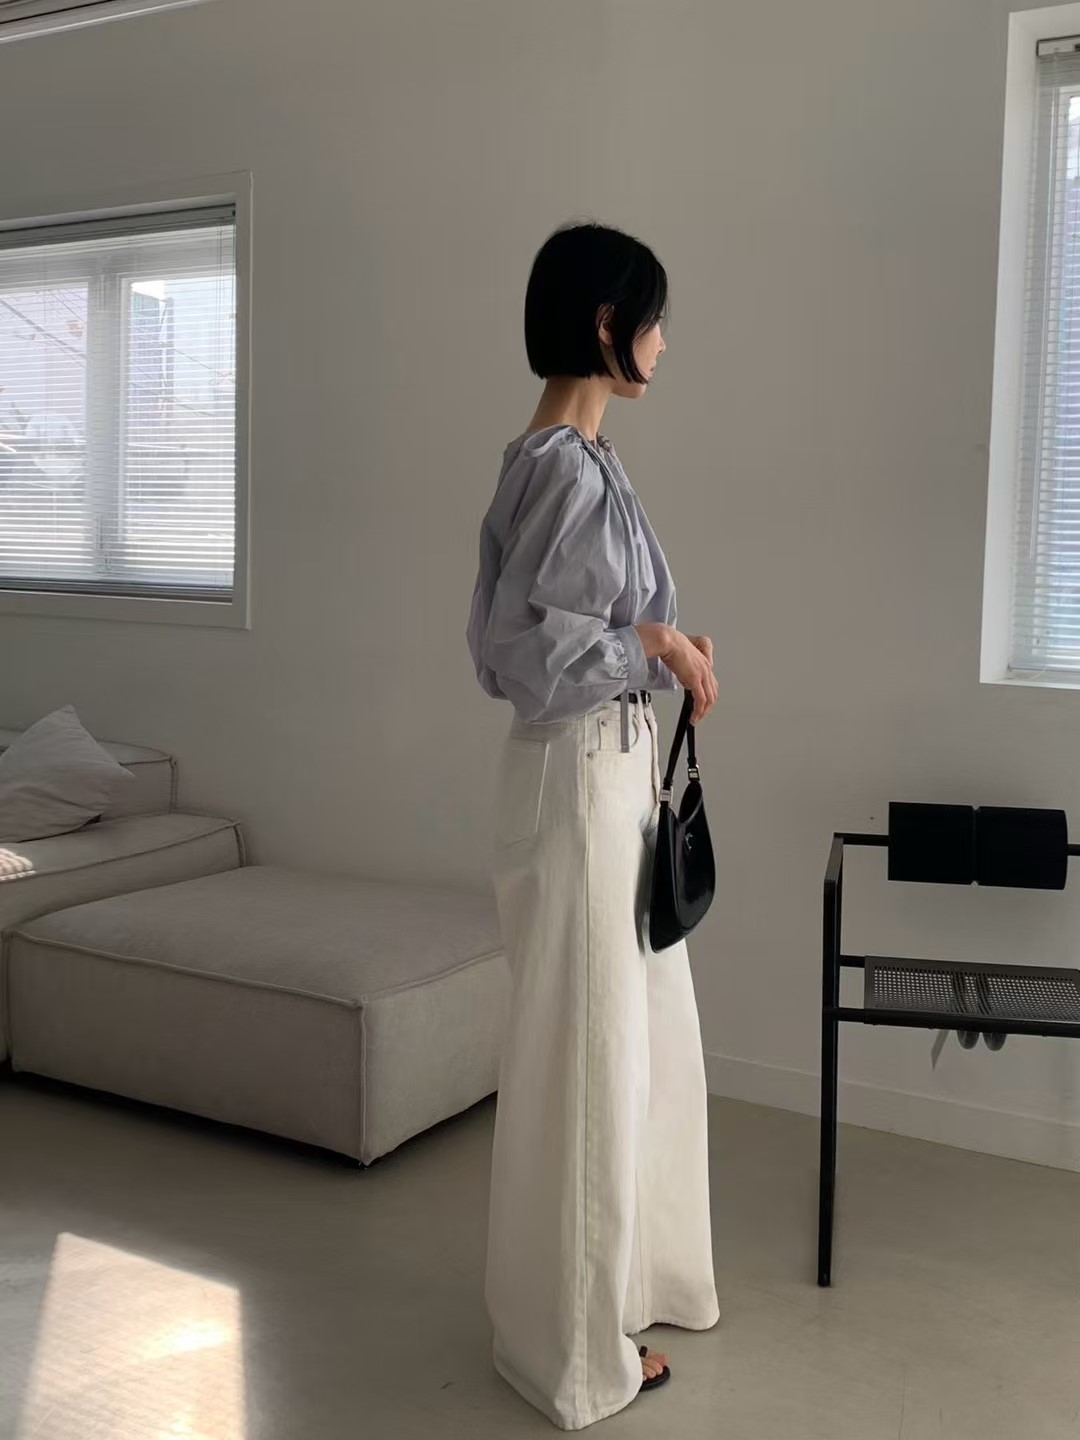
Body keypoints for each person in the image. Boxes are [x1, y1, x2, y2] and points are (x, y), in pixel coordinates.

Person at [465, 221, 721, 1430]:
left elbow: (578, 638)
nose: (666, 343)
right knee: (586, 1061)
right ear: (608, 326)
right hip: (579, 782)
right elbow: (527, 658)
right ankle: (572, 1354)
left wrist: (662, 651)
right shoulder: (565, 469)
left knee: (627, 1047)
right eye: (654, 320)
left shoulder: (573, 458)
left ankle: (612, 1299)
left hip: (598, 780)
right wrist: (651, 643)